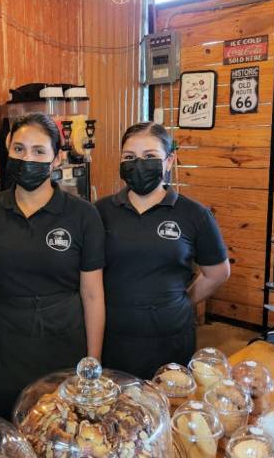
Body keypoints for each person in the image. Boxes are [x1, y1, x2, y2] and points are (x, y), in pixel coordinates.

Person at [0, 113, 105, 418]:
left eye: (38, 151)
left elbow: (92, 294)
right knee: (8, 437)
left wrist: (92, 363)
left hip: (64, 343)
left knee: (62, 439)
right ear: (7, 149)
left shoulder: (83, 215)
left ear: (57, 158)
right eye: (19, 149)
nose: (27, 158)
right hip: (5, 346)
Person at [96, 122, 230, 379]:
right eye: (129, 157)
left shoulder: (195, 215)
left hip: (171, 340)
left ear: (169, 161)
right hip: (114, 339)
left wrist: (181, 302)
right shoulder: (100, 212)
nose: (139, 164)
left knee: (169, 410)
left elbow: (217, 273)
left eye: (150, 157)